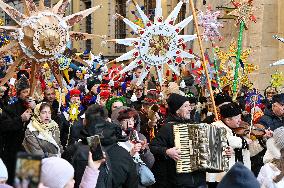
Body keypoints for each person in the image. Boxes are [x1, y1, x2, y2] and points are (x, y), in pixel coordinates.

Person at [63, 104, 138, 188]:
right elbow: (132, 183)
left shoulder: (73, 150)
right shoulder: (123, 153)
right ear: (107, 121)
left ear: (85, 121)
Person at [150, 93, 207, 188]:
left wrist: (223, 150)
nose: (190, 109)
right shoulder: (167, 127)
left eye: (189, 106)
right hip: (179, 181)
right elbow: (152, 147)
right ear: (177, 110)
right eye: (186, 106)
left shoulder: (196, 125)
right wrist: (167, 151)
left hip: (199, 179)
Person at [1, 76, 34, 185]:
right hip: (13, 151)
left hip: (30, 152)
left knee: (26, 184)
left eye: (29, 91)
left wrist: (36, 109)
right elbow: (4, 126)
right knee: (12, 183)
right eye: (24, 92)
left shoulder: (36, 107)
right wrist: (20, 119)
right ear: (19, 94)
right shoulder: (10, 108)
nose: (27, 94)